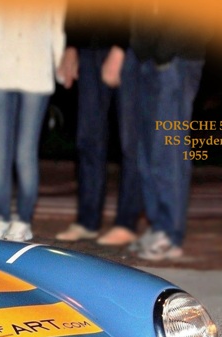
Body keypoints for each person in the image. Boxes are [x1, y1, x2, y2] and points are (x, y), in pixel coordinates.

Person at [103, 8, 210, 261]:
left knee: (167, 149)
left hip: (175, 56)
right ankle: (158, 226)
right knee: (146, 150)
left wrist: (165, 51)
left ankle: (170, 234)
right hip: (147, 55)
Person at [0, 0, 66, 242]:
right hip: (0, 69)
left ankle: (23, 220)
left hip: (37, 72)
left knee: (25, 152)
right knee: (0, 152)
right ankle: (1, 218)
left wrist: (58, 64)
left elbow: (57, 24)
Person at [53, 11, 143, 247]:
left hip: (127, 49)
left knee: (130, 141)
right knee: (88, 138)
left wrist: (120, 47)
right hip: (88, 46)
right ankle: (88, 221)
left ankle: (126, 222)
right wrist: (71, 45)